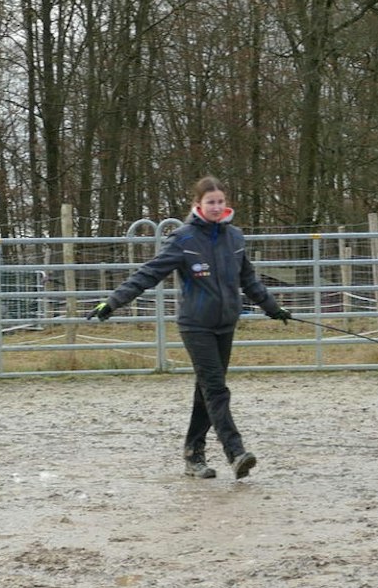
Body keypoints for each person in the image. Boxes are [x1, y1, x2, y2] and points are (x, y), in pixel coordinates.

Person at [91, 177, 290, 479]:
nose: (216, 206)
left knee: (206, 392)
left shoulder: (235, 237)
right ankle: (235, 452)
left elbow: (248, 279)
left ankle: (192, 454)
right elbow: (148, 273)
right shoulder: (183, 239)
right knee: (216, 390)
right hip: (196, 325)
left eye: (220, 201)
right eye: (210, 202)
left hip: (226, 324)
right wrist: (113, 302)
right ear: (198, 205)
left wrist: (273, 307)